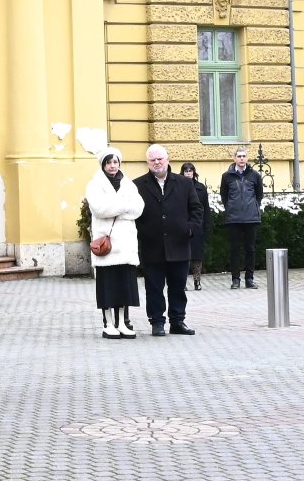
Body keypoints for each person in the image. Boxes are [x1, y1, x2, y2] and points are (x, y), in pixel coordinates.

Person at [134, 144, 203, 336]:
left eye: (160, 159)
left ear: (168, 159)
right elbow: (132, 215)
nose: (157, 163)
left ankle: (177, 321)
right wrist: (142, 232)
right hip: (152, 246)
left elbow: (197, 210)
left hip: (179, 245)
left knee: (178, 287)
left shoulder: (184, 183)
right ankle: (157, 322)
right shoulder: (138, 185)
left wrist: (190, 229)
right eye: (152, 160)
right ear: (148, 163)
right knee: (154, 288)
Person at [85, 150, 143, 338]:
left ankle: (122, 323)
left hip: (125, 246)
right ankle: (108, 323)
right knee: (107, 286)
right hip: (107, 247)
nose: (112, 165)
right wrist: (124, 205)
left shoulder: (128, 183)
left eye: (115, 162)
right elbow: (99, 209)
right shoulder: (95, 185)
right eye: (108, 162)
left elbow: (139, 208)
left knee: (124, 286)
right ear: (103, 165)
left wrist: (117, 207)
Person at [218, 148, 264, 288]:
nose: (242, 159)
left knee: (250, 249)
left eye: (244, 156)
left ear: (247, 158)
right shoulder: (227, 176)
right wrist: (231, 207)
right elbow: (224, 196)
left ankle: (249, 279)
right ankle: (235, 280)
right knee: (235, 250)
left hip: (251, 218)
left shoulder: (255, 175)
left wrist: (253, 207)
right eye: (239, 156)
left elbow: (259, 195)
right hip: (234, 218)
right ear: (234, 158)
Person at [180, 162, 211, 290]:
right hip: (182, 225)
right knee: (183, 256)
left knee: (197, 256)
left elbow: (206, 208)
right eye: (186, 170)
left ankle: (197, 281)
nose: (188, 172)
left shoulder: (200, 188)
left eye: (190, 170)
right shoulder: (177, 186)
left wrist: (207, 225)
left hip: (197, 225)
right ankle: (183, 282)